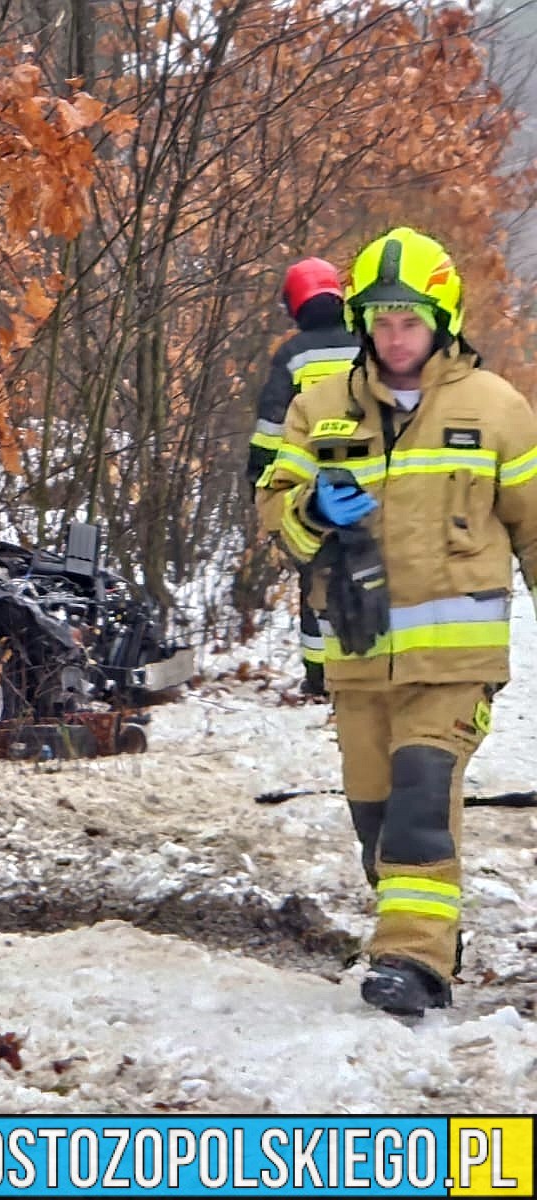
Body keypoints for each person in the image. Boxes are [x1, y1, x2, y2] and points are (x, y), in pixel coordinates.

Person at [255, 227, 537, 1017]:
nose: (393, 336)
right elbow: (276, 517)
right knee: (376, 813)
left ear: (441, 318)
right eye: (379, 319)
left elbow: (535, 527)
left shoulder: (495, 410)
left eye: (409, 320)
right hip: (358, 651)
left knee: (421, 795)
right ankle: (422, 928)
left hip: (454, 662)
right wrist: (311, 506)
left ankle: (409, 963)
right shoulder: (322, 408)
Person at [248, 257, 362, 696]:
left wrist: (260, 479)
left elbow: (271, 429)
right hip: (372, 483)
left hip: (313, 491)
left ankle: (319, 678)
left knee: (317, 582)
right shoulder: (367, 342)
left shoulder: (294, 354)